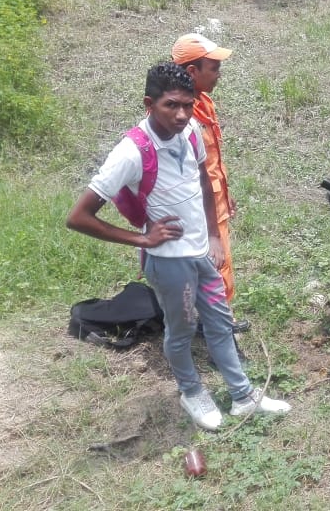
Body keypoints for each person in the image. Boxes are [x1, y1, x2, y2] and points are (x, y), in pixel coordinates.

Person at [66, 63, 291, 431]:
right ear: (149, 104)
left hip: (201, 254)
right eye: (172, 105)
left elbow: (204, 183)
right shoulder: (131, 152)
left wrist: (215, 237)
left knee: (220, 324)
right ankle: (191, 391)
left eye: (189, 104)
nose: (182, 114)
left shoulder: (190, 133)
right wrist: (141, 238)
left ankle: (242, 395)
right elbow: (79, 216)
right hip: (169, 263)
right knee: (181, 329)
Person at [171, 32, 249, 333]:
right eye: (213, 68)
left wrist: (225, 194)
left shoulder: (204, 103)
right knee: (211, 263)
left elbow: (213, 158)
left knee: (221, 258)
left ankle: (219, 317)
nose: (219, 74)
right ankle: (215, 324)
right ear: (192, 71)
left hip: (214, 198)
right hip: (196, 203)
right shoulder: (178, 113)